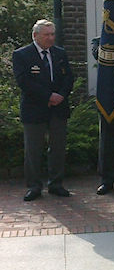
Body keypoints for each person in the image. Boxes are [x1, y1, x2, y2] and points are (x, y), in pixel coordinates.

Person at [12, 19, 74, 201]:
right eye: (46, 34)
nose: (50, 38)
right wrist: (48, 96)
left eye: (52, 34)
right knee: (33, 149)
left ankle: (56, 184)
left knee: (58, 148)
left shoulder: (60, 54)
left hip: (58, 109)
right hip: (35, 109)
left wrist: (60, 95)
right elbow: (24, 82)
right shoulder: (22, 55)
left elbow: (68, 77)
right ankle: (34, 186)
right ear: (35, 36)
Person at [91, 36, 114, 195]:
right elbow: (98, 54)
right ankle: (106, 180)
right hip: (108, 99)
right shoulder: (99, 40)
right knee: (107, 142)